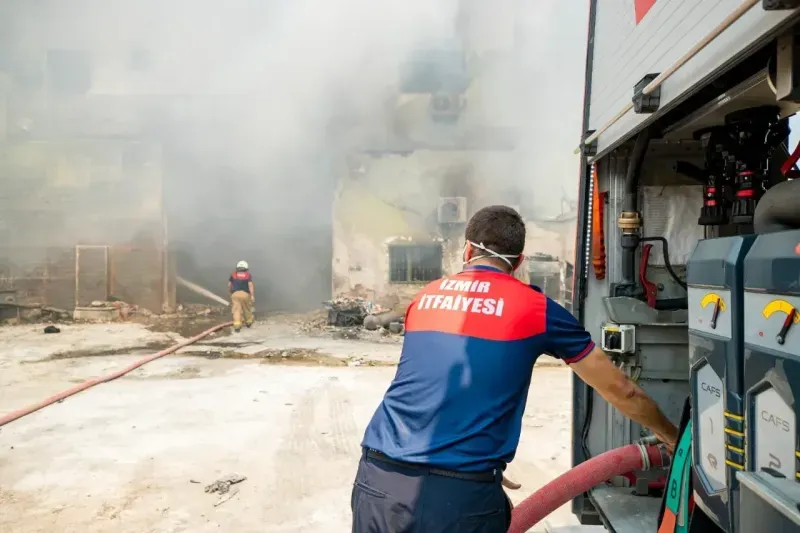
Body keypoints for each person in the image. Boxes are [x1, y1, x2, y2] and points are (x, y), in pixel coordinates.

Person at [351, 205, 678, 533]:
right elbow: (622, 390)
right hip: (462, 495)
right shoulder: (536, 309)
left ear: (467, 250)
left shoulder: (424, 298)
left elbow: (434, 381)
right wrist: (670, 435)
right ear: (519, 262)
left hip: (379, 478)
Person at [228, 260, 255, 332]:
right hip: (245, 294)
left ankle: (237, 325)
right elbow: (250, 285)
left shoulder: (233, 274)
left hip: (235, 294)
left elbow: (229, 285)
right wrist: (252, 295)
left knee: (236, 310)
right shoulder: (247, 275)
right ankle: (248, 322)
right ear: (246, 268)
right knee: (246, 308)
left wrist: (230, 292)